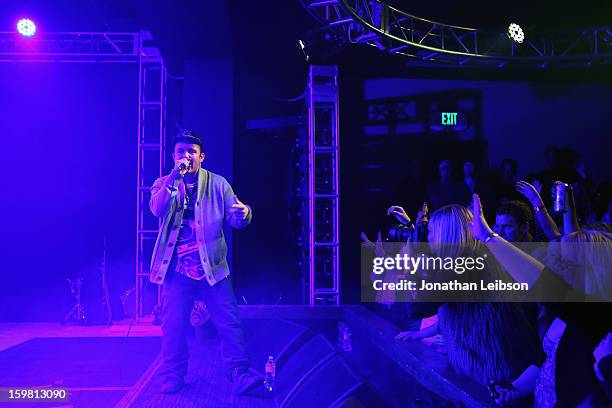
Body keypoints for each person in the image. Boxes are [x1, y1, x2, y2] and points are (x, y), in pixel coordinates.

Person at [149, 130, 261, 394]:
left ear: (202, 156)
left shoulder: (219, 184)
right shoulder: (164, 182)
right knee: (173, 324)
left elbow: (236, 219)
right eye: (180, 152)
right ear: (173, 156)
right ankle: (174, 374)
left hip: (212, 268)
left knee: (228, 322)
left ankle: (239, 373)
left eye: (191, 151)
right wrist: (174, 177)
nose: (185, 156)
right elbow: (156, 208)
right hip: (177, 271)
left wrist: (244, 214)